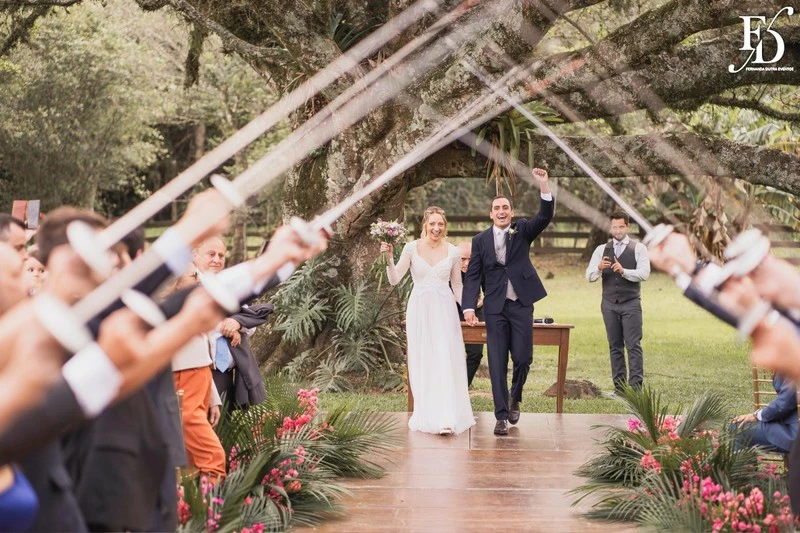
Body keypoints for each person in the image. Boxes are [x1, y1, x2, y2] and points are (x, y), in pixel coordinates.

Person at [462, 167, 553, 436]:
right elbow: (473, 275)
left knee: (523, 358)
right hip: (494, 308)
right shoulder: (480, 240)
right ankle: (501, 416)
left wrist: (543, 186)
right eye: (496, 208)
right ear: (490, 214)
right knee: (497, 361)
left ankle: (515, 396)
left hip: (521, 303)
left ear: (511, 212)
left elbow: (544, 216)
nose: (501, 211)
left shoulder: (522, 230)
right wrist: (469, 306)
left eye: (505, 207)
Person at [381, 206, 474, 436]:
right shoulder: (411, 248)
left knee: (445, 357)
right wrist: (389, 258)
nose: (436, 228)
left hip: (444, 309)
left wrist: (468, 309)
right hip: (420, 309)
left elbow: (457, 285)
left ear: (445, 226)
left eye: (440, 224)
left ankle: (447, 417)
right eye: (432, 223)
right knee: (424, 359)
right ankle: (427, 413)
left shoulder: (453, 252)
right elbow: (394, 279)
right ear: (425, 224)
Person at [194, 236, 268, 410]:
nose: (217, 260)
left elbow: (250, 324)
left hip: (226, 374)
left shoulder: (228, 284)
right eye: (211, 254)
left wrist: (237, 323)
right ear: (195, 255)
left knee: (223, 424)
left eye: (221, 255)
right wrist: (223, 328)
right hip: (200, 370)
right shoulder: (190, 282)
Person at [170, 264, 226, 480]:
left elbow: (203, 355)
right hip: (181, 375)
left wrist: (213, 398)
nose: (199, 279)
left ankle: (209, 488)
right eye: (193, 275)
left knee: (197, 453)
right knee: (202, 452)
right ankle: (212, 486)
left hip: (198, 376)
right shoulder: (166, 312)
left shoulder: (194, 307)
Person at [585, 211, 650, 392]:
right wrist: (599, 268)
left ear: (627, 226)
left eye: (621, 227)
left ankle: (635, 388)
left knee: (633, 345)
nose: (618, 230)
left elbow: (644, 273)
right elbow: (589, 276)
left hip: (631, 303)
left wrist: (624, 271)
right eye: (614, 227)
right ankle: (619, 388)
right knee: (615, 345)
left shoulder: (638, 249)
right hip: (609, 304)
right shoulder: (601, 250)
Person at [731, 373, 797, 455]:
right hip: (790, 425)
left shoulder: (793, 369)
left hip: (792, 435)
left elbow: (783, 404)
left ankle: (743, 463)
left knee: (736, 429)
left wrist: (756, 416)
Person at [456, 242, 484, 386]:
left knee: (475, 353)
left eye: (470, 259)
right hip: (452, 310)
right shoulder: (448, 270)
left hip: (476, 311)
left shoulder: (480, 268)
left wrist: (482, 301)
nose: (467, 263)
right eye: (462, 259)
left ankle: (463, 386)